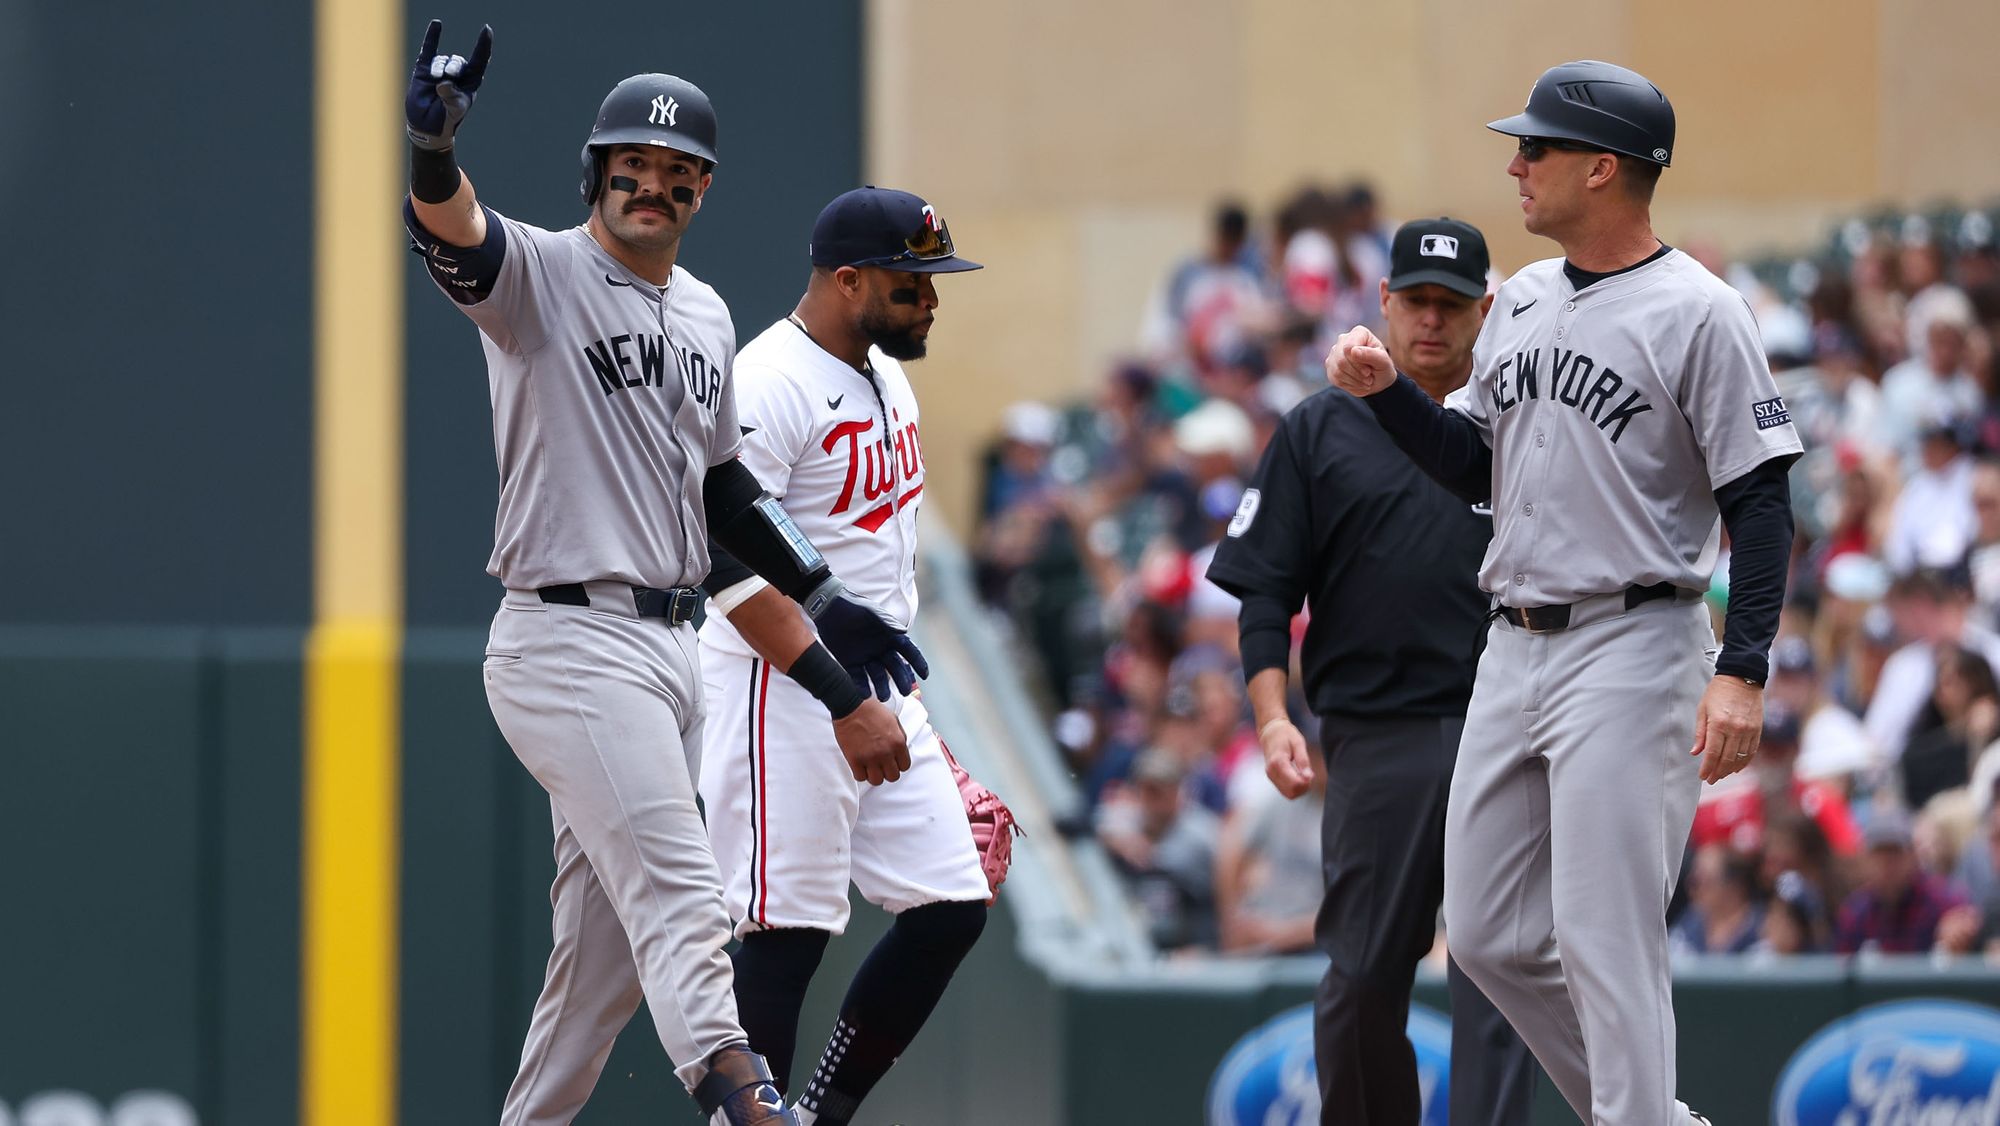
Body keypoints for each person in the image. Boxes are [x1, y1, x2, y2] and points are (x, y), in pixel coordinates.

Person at [402, 25, 930, 1125]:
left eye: (678, 173)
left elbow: (728, 495)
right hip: (565, 634)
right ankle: (748, 1104)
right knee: (688, 896)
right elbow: (458, 240)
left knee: (596, 970)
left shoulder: (702, 312)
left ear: (700, 192)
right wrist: (430, 151)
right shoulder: (544, 274)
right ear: (596, 174)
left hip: (670, 641)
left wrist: (828, 604)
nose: (655, 185)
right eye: (633, 167)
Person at [1326, 60, 1803, 1126]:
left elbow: (1761, 506)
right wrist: (1388, 396)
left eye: (1534, 149)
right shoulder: (1528, 296)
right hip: (1514, 638)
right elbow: (1471, 466)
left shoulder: (1700, 312)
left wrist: (1742, 669)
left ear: (1601, 169)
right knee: (1490, 934)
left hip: (1633, 639)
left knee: (1603, 933)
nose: (1515, 164)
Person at [1207, 218, 1534, 1126]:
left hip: (1505, 720)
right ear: (1384, 302)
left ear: (1486, 310)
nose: (1432, 321)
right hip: (1377, 732)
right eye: (1416, 301)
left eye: (1452, 304)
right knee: (1361, 975)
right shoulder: (1320, 426)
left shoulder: (1517, 419)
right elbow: (1265, 590)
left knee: (1501, 972)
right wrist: (1273, 717)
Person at [693, 187, 1008, 1125]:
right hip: (779, 686)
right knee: (785, 931)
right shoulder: (769, 378)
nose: (931, 300)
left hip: (871, 684)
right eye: (912, 284)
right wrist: (838, 698)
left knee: (953, 902)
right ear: (848, 279)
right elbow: (724, 561)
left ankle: (818, 1113)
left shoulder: (882, 369)